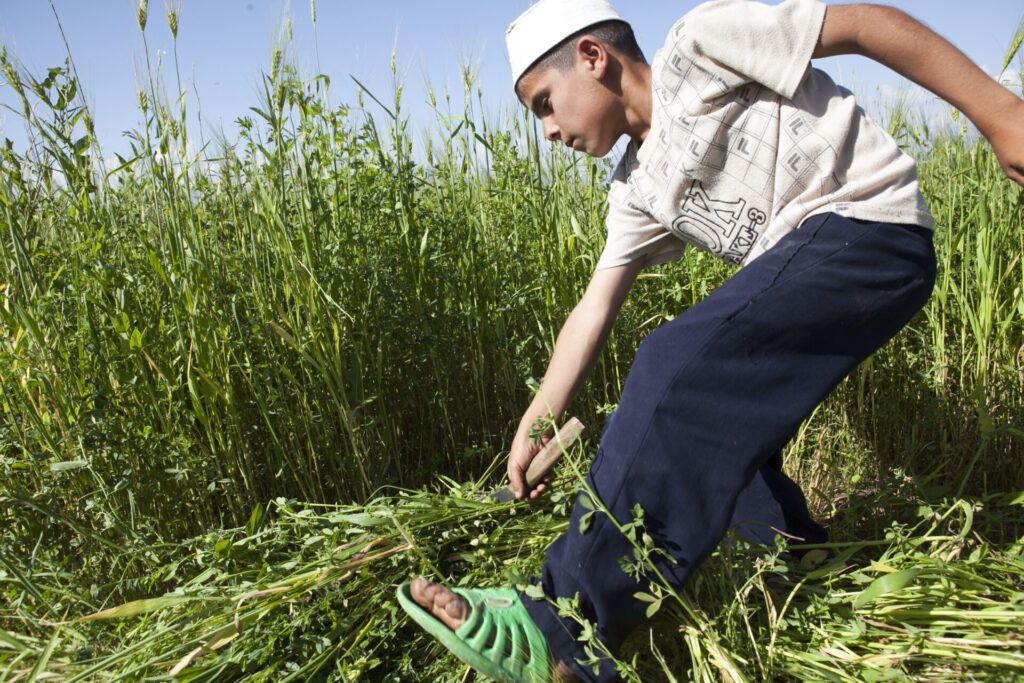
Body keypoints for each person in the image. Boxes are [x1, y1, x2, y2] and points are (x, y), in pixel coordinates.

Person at [398, 0, 1024, 680]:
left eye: (545, 104)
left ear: (591, 57)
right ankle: (797, 559)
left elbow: (863, 24)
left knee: (674, 363)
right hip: (819, 259)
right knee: (718, 419)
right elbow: (595, 304)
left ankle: (565, 626)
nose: (547, 131)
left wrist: (998, 112)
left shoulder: (700, 46)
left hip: (869, 227)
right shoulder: (635, 188)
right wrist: (537, 416)